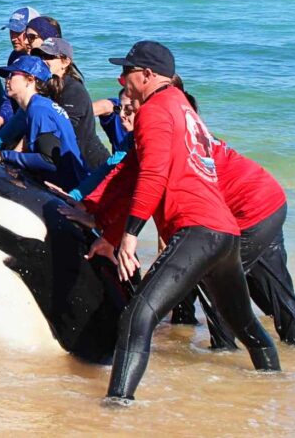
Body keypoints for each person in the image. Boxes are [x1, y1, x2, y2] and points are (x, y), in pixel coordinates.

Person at [99, 40, 279, 403]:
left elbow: (152, 174)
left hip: (197, 230)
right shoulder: (183, 106)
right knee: (246, 326)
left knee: (138, 316)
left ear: (147, 75)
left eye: (127, 72)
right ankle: (278, 389)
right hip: (225, 233)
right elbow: (134, 172)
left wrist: (130, 235)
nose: (121, 79)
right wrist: (97, 214)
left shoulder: (153, 111)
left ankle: (115, 409)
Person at [0, 56, 88, 192]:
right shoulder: (37, 105)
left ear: (30, 80)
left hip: (71, 190)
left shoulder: (39, 110)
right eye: (7, 76)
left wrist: (3, 156)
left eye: (12, 75)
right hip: (72, 182)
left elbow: (49, 160)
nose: (7, 80)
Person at [35, 37, 111, 169]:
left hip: (90, 162)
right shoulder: (48, 86)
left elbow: (63, 129)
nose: (43, 60)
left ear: (65, 62)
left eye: (49, 56)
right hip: (71, 158)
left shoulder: (74, 90)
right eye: (41, 56)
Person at [0, 6, 41, 139]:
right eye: (11, 32)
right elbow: (10, 98)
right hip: (16, 119)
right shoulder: (15, 57)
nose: (13, 38)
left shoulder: (43, 62)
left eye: (18, 32)